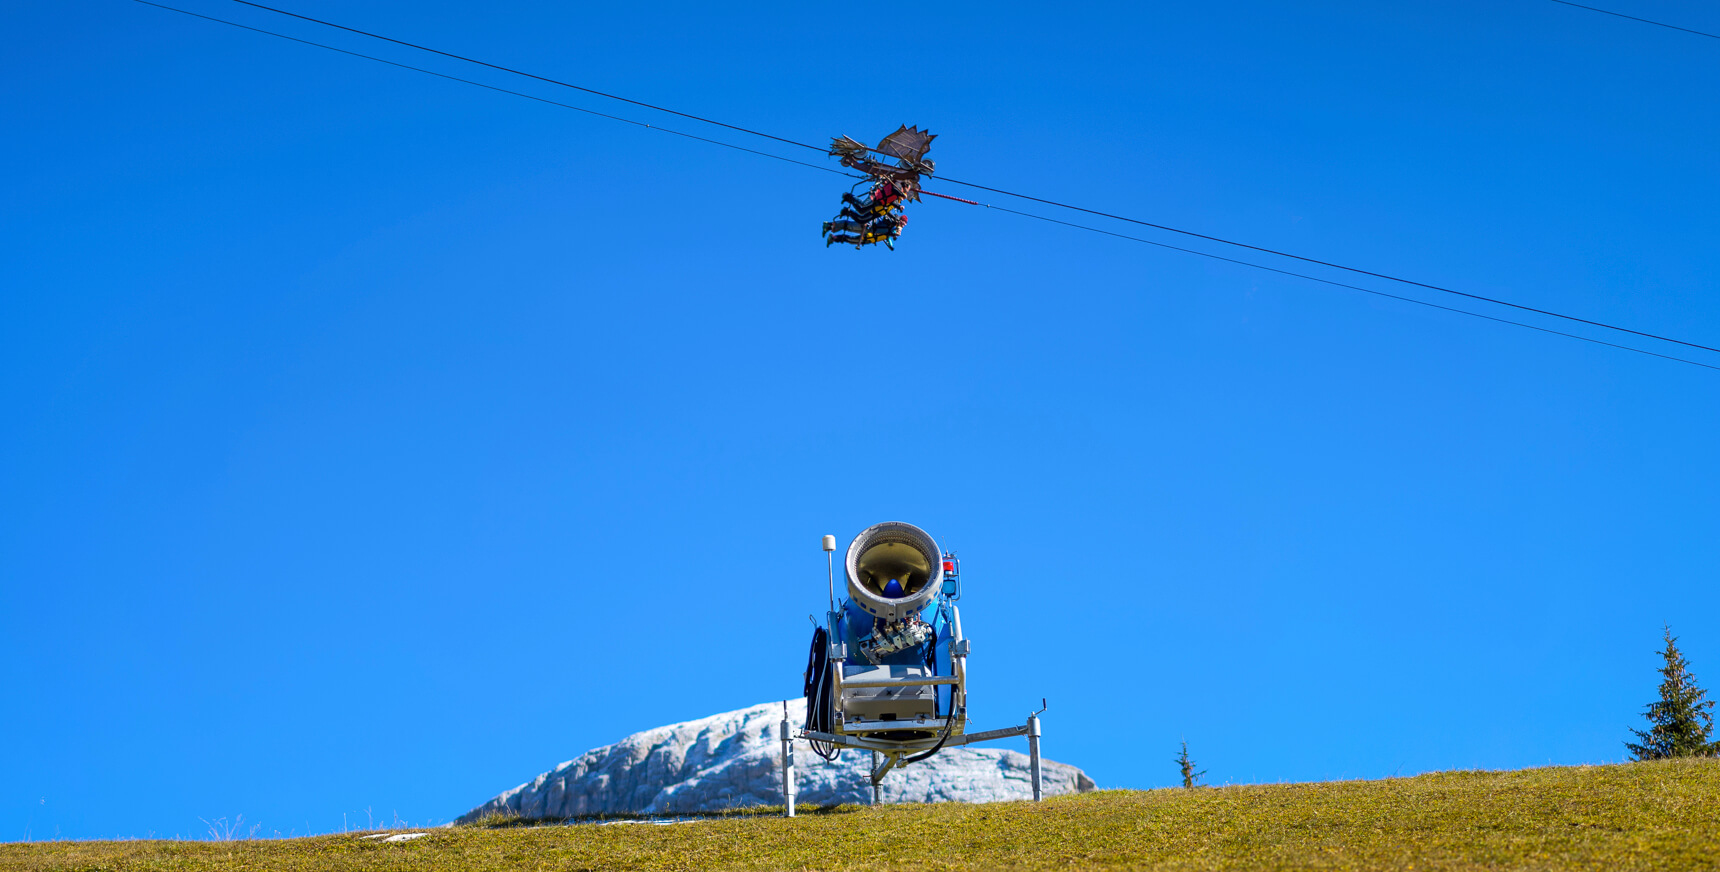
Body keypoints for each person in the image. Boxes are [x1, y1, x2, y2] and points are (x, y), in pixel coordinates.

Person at [823, 213, 906, 250]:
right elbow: (886, 220)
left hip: (869, 233)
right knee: (849, 226)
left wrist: (891, 245)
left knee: (851, 238)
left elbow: (888, 236)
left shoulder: (892, 229)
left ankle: (833, 238)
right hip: (869, 226)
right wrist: (896, 229)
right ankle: (829, 225)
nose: (904, 224)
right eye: (903, 222)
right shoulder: (892, 221)